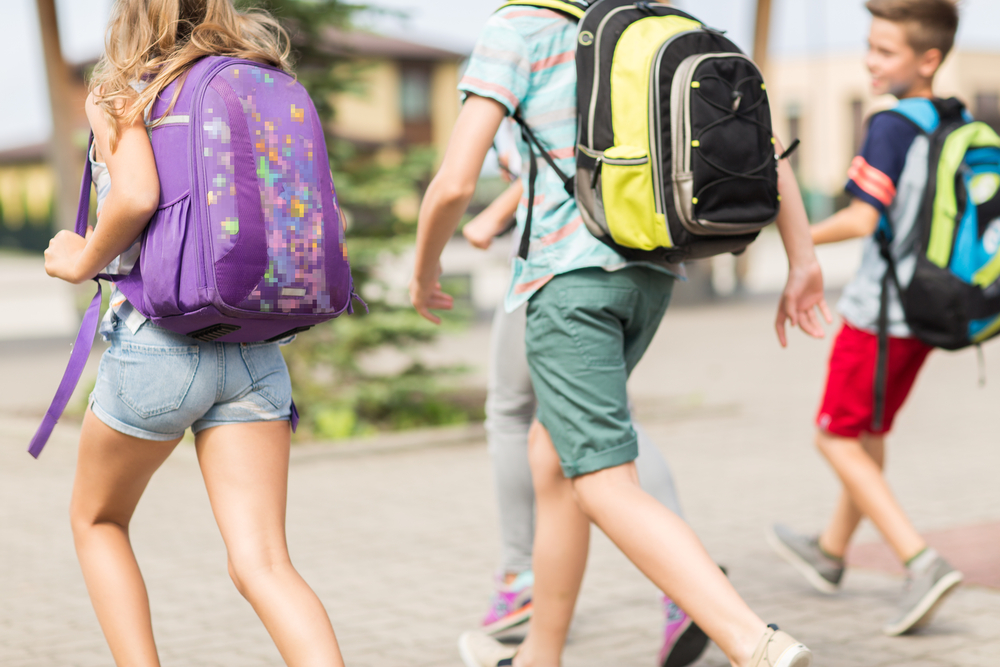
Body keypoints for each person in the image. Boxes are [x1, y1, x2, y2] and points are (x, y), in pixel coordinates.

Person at [409, 3, 831, 666]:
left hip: (568, 285)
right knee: (552, 458)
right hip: (652, 277)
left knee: (603, 479)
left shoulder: (517, 29)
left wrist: (424, 267)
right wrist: (803, 260)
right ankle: (538, 656)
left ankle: (752, 638)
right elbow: (762, 146)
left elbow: (455, 180)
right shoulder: (655, 19)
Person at [41, 2, 346, 664]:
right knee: (264, 562)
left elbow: (135, 195)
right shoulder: (262, 75)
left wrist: (80, 257)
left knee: (98, 519)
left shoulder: (123, 89)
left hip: (161, 341)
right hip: (256, 345)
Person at [464, 150, 708, 667]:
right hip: (641, 246)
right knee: (607, 421)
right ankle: (684, 589)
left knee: (511, 412)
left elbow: (551, 147)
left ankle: (519, 580)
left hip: (559, 253)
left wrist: (485, 216)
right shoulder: (618, 63)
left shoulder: (530, 63)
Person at [767, 0, 964, 637]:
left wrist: (792, 238)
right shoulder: (951, 117)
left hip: (879, 316)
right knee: (866, 431)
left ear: (926, 59)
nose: (870, 60)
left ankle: (920, 559)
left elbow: (860, 219)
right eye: (870, 46)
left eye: (886, 51)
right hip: (929, 313)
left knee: (835, 437)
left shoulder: (890, 125)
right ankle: (829, 552)